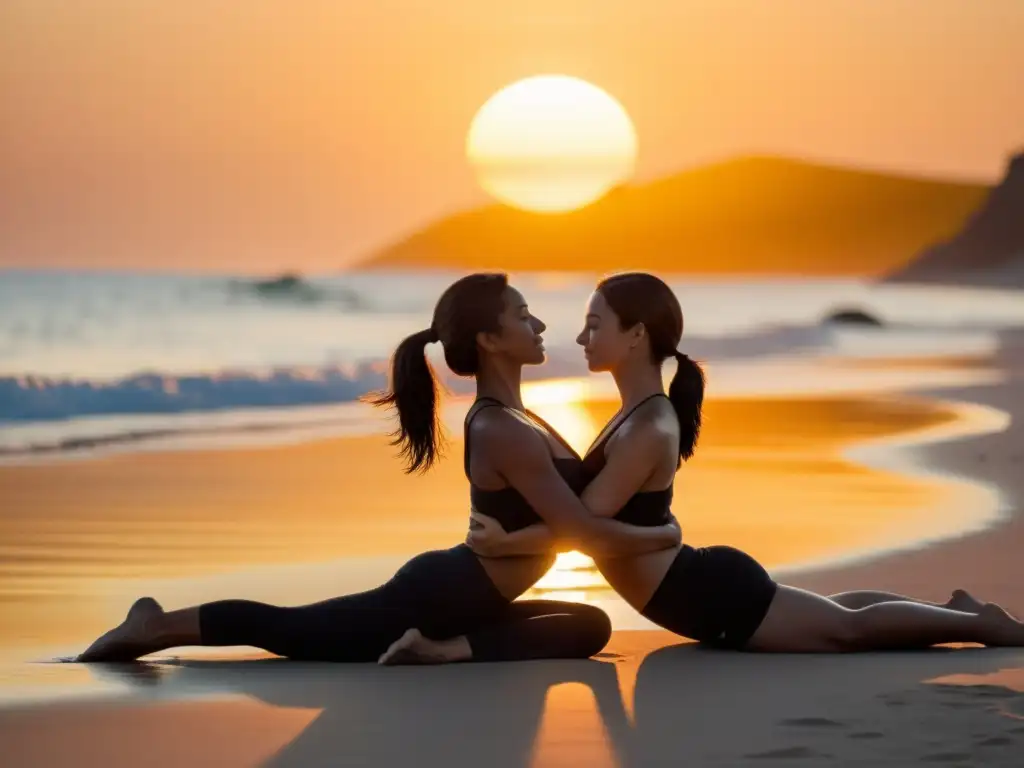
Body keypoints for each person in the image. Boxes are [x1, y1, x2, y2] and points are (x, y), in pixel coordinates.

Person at [76, 273, 682, 664]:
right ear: (489, 339)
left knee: (586, 625)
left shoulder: (521, 418)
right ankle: (155, 627)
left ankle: (443, 652)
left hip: (467, 595)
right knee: (294, 632)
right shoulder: (500, 426)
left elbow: (569, 525)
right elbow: (578, 528)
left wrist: (516, 541)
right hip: (441, 593)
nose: (541, 324)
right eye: (523, 314)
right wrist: (663, 534)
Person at [467, 272, 1024, 652]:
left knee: (845, 631)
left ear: (636, 335)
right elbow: (592, 522)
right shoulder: (636, 413)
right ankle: (953, 608)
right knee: (832, 613)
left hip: (702, 594)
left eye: (595, 324)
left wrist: (507, 544)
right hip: (695, 584)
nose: (582, 336)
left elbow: (583, 528)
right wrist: (660, 535)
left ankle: (982, 625)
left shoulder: (647, 424)